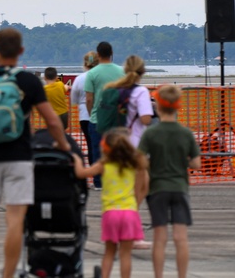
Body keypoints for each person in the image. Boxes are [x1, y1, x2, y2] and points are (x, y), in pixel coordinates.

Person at [0, 28, 70, 278]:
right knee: (14, 219)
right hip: (19, 157)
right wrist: (64, 146)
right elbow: (53, 122)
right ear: (21, 51)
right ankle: (7, 275)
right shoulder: (28, 81)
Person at [138, 85, 201, 278]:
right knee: (181, 238)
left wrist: (153, 162)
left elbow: (140, 160)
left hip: (157, 189)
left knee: (160, 237)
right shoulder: (185, 133)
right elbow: (196, 164)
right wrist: (182, 160)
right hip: (180, 187)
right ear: (178, 106)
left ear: (158, 107)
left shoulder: (150, 134)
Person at [73, 127, 149, 278]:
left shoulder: (104, 165)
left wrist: (76, 159)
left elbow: (81, 173)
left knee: (109, 252)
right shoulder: (135, 165)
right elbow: (144, 186)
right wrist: (135, 202)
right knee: (125, 254)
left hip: (110, 213)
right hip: (129, 213)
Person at [85, 41, 125, 189]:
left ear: (98, 55)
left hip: (97, 118)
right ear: (111, 54)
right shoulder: (121, 71)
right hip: (117, 118)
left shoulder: (92, 73)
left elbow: (89, 98)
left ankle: (99, 182)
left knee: (97, 151)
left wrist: (91, 114)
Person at [101, 55, 154, 148]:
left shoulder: (111, 89)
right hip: (134, 141)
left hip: (113, 141)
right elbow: (145, 120)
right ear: (142, 72)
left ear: (125, 69)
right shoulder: (141, 91)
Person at [70, 51, 99, 170]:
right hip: (101, 113)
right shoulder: (99, 77)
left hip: (84, 115)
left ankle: (93, 172)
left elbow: (73, 99)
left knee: (90, 144)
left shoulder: (79, 79)